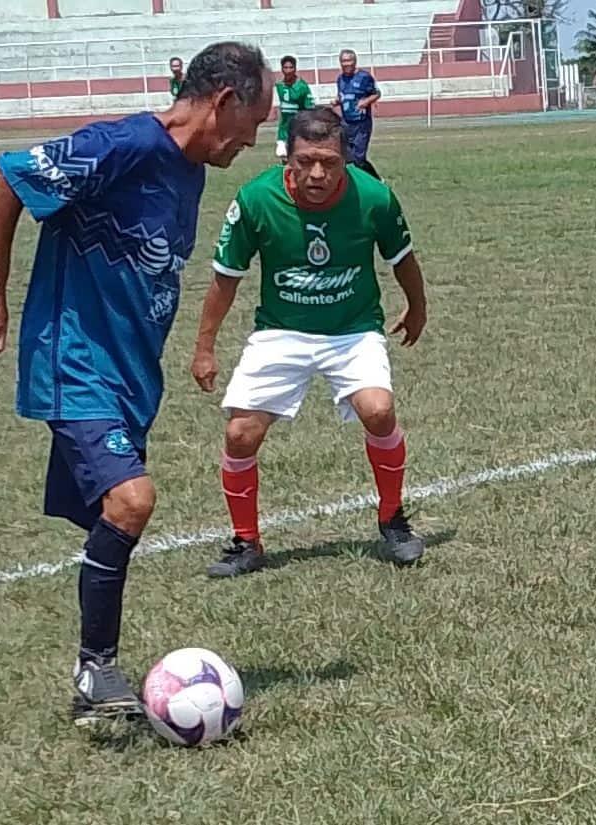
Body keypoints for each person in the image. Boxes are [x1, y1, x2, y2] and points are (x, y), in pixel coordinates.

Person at [0, 42, 272, 722]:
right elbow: (9, 174)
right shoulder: (123, 146)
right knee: (132, 501)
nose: (250, 142)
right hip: (76, 363)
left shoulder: (188, 171)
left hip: (131, 378)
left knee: (113, 514)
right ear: (224, 102)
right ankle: (94, 670)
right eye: (252, 125)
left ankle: (94, 672)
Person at [190, 107, 427, 578]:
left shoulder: (373, 197)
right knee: (240, 435)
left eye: (330, 162)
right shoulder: (256, 199)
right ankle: (246, 542)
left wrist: (417, 306)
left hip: (353, 329)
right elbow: (225, 278)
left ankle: (393, 519)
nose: (317, 173)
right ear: (288, 159)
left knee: (379, 410)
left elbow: (402, 258)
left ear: (345, 159)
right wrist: (204, 346)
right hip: (281, 331)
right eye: (306, 161)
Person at [333, 49, 381, 179]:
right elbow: (343, 95)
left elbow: (377, 93)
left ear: (355, 61)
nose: (346, 63)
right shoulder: (340, 79)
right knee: (347, 157)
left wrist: (366, 101)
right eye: (343, 61)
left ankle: (375, 180)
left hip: (361, 123)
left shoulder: (364, 77)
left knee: (358, 158)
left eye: (349, 60)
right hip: (346, 123)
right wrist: (337, 101)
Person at [275, 55, 314, 164]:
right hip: (283, 129)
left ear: (295, 69)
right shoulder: (279, 86)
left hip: (297, 128)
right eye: (285, 67)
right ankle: (286, 179)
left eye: (291, 67)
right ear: (282, 69)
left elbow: (309, 108)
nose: (288, 70)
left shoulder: (302, 87)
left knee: (296, 157)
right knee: (283, 156)